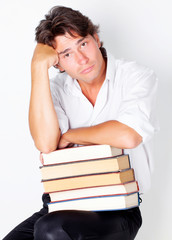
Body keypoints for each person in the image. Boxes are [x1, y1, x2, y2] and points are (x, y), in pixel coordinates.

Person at [3, 5, 158, 240]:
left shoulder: (136, 76)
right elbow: (46, 144)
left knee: (51, 230)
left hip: (117, 209)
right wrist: (37, 68)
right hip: (60, 204)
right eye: (66, 54)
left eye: (83, 44)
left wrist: (70, 135)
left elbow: (129, 135)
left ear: (96, 39)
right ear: (57, 64)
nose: (82, 58)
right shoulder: (55, 89)